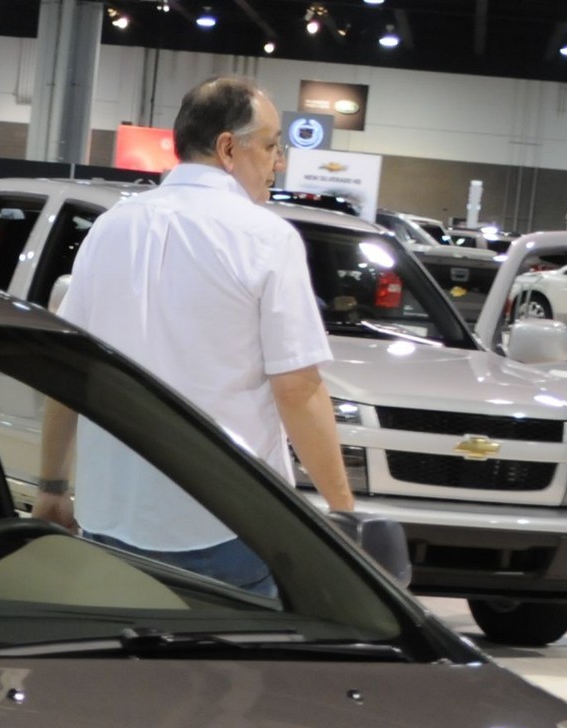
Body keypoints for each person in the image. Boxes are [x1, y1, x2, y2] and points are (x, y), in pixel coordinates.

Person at [31, 75, 356, 596]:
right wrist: (343, 514)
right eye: (272, 147)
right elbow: (297, 389)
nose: (278, 163)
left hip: (110, 517)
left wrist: (51, 485)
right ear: (228, 148)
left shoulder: (110, 228)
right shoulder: (266, 239)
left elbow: (69, 369)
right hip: (225, 523)